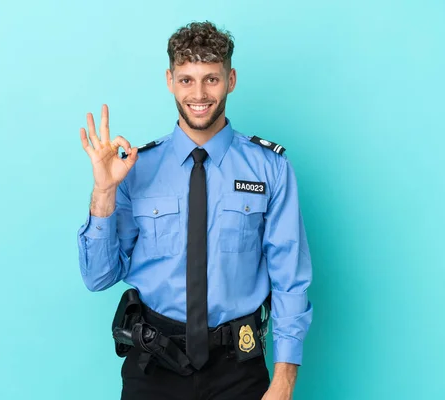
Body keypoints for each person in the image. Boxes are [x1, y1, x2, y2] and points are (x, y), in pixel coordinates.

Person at [77, 21, 313, 400]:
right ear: (170, 80)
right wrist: (104, 190)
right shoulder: (135, 170)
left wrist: (284, 380)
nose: (199, 94)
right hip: (153, 366)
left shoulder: (270, 169)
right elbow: (98, 277)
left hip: (238, 367)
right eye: (187, 80)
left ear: (231, 79)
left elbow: (290, 280)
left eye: (211, 79)